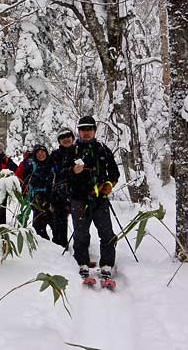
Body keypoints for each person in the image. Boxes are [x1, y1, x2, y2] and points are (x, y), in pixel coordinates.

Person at [69, 116, 120, 283]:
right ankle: (82, 263)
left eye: (89, 129)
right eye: (83, 130)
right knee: (81, 233)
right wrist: (73, 172)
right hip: (79, 199)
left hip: (100, 199)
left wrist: (109, 184)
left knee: (107, 234)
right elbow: (62, 173)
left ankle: (106, 265)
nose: (86, 133)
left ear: (95, 130)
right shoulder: (72, 150)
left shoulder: (103, 149)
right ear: (79, 131)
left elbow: (114, 172)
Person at [14, 143, 53, 239]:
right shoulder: (28, 163)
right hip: (31, 194)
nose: (41, 154)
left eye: (43, 152)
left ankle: (53, 243)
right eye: (38, 152)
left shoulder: (50, 163)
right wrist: (24, 186)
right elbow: (18, 175)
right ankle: (21, 231)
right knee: (28, 214)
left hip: (48, 196)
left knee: (51, 219)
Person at [47, 127, 76, 248]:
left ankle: (81, 249)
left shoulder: (78, 151)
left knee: (81, 224)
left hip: (78, 191)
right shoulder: (55, 155)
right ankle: (61, 246)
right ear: (59, 140)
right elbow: (52, 172)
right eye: (62, 137)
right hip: (59, 193)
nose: (66, 139)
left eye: (68, 136)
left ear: (72, 138)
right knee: (60, 222)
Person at [0, 142, 18, 224]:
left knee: (2, 207)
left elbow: (16, 169)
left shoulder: (6, 160)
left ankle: (1, 224)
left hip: (3, 187)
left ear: (2, 150)